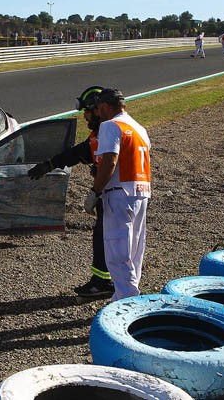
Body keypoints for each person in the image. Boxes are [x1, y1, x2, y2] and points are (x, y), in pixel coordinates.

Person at [27, 86, 114, 297]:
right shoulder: (100, 134)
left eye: (87, 111)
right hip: (112, 195)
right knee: (104, 237)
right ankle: (103, 281)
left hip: (115, 195)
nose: (85, 116)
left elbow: (109, 162)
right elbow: (78, 153)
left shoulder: (109, 132)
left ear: (98, 109)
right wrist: (49, 164)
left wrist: (95, 190)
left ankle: (106, 284)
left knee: (109, 239)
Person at [90, 88, 151, 301]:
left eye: (98, 108)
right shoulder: (139, 128)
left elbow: (110, 161)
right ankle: (125, 293)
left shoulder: (110, 125)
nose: (97, 114)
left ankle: (127, 298)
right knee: (135, 249)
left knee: (117, 250)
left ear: (106, 106)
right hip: (141, 192)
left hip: (119, 193)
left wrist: (95, 191)